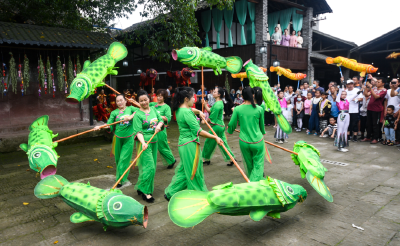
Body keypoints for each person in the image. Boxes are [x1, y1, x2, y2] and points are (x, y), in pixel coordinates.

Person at [164, 87, 223, 201]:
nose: (194, 100)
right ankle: (199, 197)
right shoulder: (187, 112)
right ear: (186, 99)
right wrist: (215, 137)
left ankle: (171, 192)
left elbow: (190, 111)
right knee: (194, 172)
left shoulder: (179, 110)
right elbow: (199, 131)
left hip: (183, 145)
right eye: (193, 98)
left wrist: (199, 111)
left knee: (184, 171)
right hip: (190, 145)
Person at [94, 94, 137, 187]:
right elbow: (110, 124)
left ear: (126, 101)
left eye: (121, 100)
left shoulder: (131, 109)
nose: (120, 102)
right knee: (118, 160)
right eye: (117, 101)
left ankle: (120, 180)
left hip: (128, 139)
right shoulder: (114, 113)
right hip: (117, 139)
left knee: (123, 159)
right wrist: (101, 127)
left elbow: (141, 112)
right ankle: (122, 175)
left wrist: (130, 117)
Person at [132, 90, 164, 203]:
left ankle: (141, 186)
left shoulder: (153, 109)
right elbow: (138, 131)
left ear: (149, 99)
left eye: (145, 99)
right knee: (150, 167)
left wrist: (159, 126)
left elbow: (160, 120)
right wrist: (143, 142)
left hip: (155, 142)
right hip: (144, 143)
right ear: (138, 102)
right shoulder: (137, 115)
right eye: (141, 101)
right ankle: (146, 191)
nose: (144, 102)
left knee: (149, 166)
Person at [227, 86, 265, 181]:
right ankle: (254, 184)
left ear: (242, 97)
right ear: (253, 95)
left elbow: (231, 124)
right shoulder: (259, 109)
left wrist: (230, 131)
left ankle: (252, 181)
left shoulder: (237, 109)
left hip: (244, 141)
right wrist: (263, 133)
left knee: (249, 164)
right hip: (258, 141)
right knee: (258, 164)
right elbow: (262, 127)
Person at [202, 87, 235, 166]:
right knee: (223, 143)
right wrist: (205, 104)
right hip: (220, 126)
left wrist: (205, 121)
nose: (213, 93)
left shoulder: (218, 104)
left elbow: (212, 117)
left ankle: (206, 159)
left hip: (216, 127)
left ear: (219, 94)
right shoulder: (218, 103)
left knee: (208, 142)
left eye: (215, 92)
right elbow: (210, 110)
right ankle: (231, 158)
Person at [149, 89, 176, 169]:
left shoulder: (166, 107)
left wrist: (157, 115)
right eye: (157, 96)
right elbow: (143, 106)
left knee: (162, 146)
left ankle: (172, 160)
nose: (158, 98)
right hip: (152, 129)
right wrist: (133, 101)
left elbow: (168, 118)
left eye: (160, 96)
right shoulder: (153, 104)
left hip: (161, 129)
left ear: (164, 97)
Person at [361, 78, 387, 144]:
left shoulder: (384, 90)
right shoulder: (374, 88)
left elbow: (376, 96)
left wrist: (371, 88)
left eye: (379, 82)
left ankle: (376, 138)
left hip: (377, 110)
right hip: (369, 108)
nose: (377, 83)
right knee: (368, 124)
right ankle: (368, 136)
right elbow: (366, 94)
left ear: (383, 83)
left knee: (375, 124)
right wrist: (365, 88)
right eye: (377, 82)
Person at [386, 79, 400, 145]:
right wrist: (392, 87)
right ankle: (395, 140)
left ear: (398, 83)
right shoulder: (398, 90)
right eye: (393, 82)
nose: (394, 83)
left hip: (397, 110)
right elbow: (392, 95)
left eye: (395, 82)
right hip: (393, 110)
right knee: (395, 125)